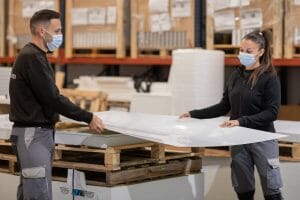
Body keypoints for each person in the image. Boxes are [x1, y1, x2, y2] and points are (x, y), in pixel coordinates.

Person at [9, 9, 104, 200]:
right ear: (42, 32)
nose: (60, 36)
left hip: (33, 135)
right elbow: (53, 98)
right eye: (58, 30)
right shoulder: (32, 57)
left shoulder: (33, 55)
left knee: (29, 192)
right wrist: (88, 117)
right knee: (38, 195)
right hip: (33, 136)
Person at [180, 30, 283, 200]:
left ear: (261, 52)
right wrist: (193, 114)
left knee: (272, 191)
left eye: (248, 51)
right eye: (241, 50)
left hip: (262, 138)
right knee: (243, 190)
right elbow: (223, 107)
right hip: (238, 140)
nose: (243, 54)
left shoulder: (269, 77)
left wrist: (241, 121)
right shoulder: (236, 76)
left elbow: (272, 113)